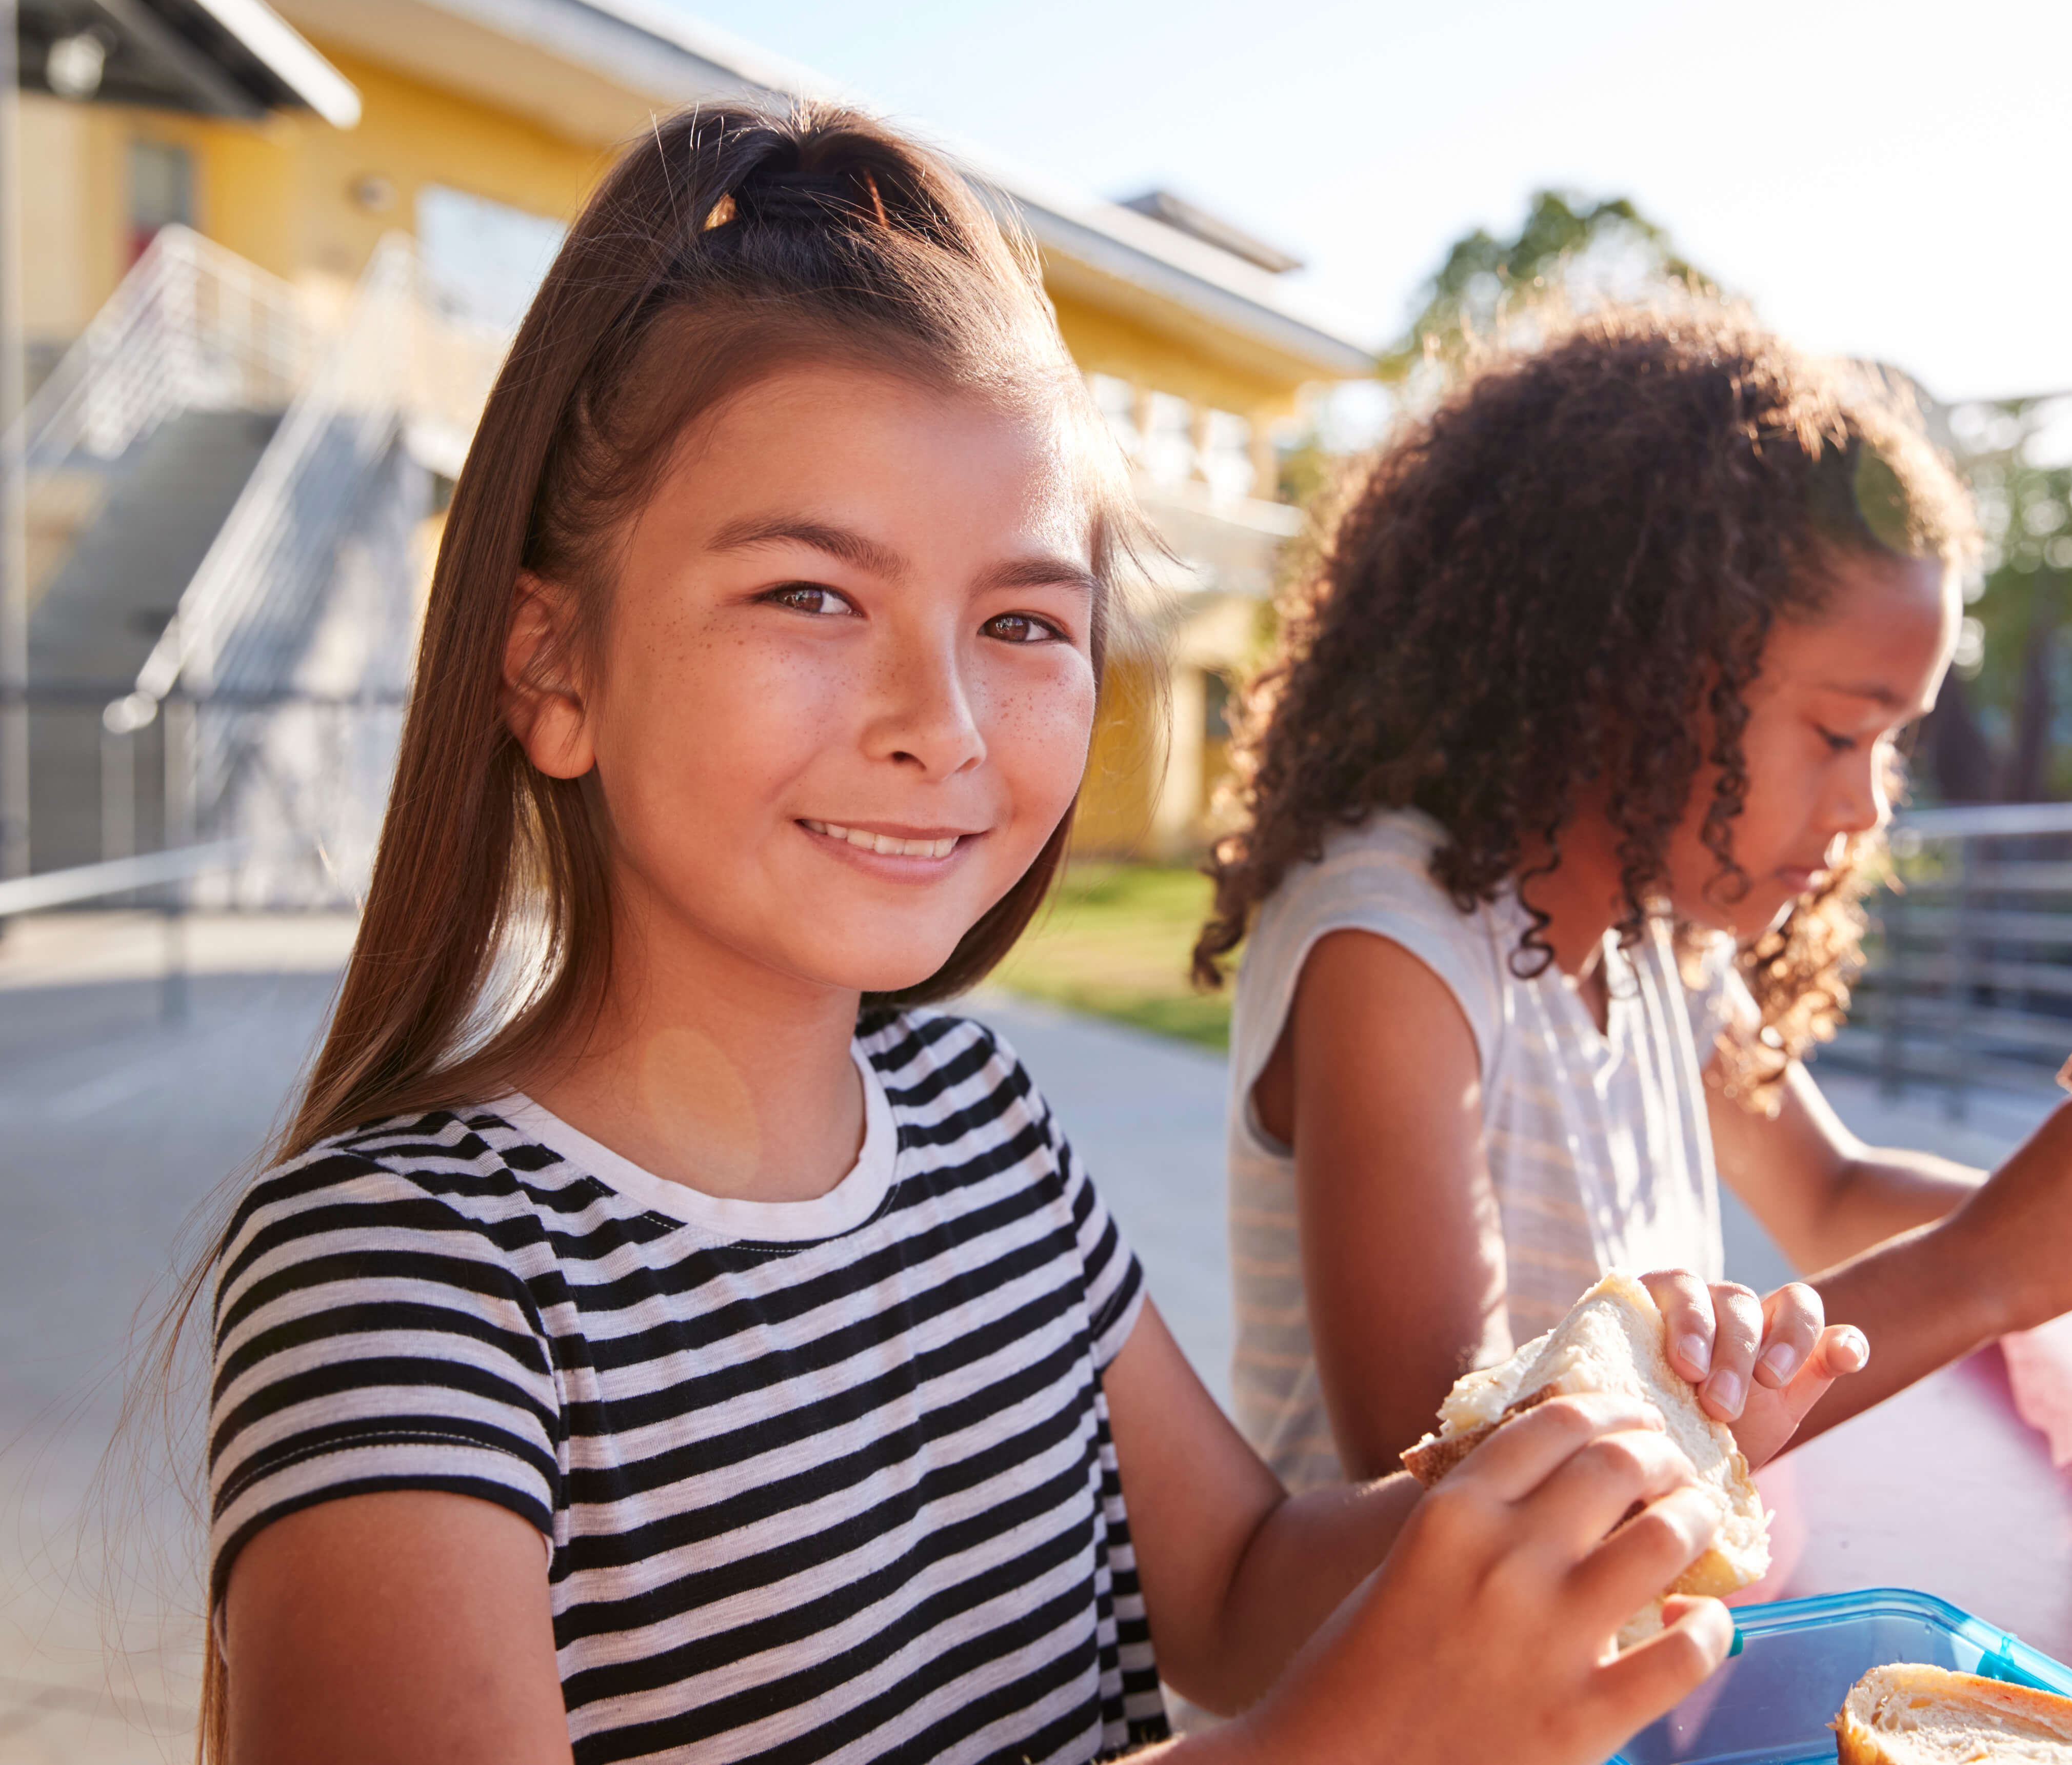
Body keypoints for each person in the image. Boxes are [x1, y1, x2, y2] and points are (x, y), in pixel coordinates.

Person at [185, 108, 1867, 1765]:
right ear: (551, 669)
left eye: (1018, 621)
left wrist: (1579, 1469)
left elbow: (1231, 1583)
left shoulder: (974, 1116)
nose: (945, 722)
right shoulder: (397, 1280)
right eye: (812, 595)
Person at [1197, 304, 2072, 1494]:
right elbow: (1452, 1471)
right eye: (1841, 733)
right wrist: (1991, 1267)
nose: (1870, 807)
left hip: (1625, 1649)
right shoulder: (1396, 948)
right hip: (1405, 1677)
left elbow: (1833, 1197)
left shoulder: (1646, 942)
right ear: (1629, 665)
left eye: (1892, 744)